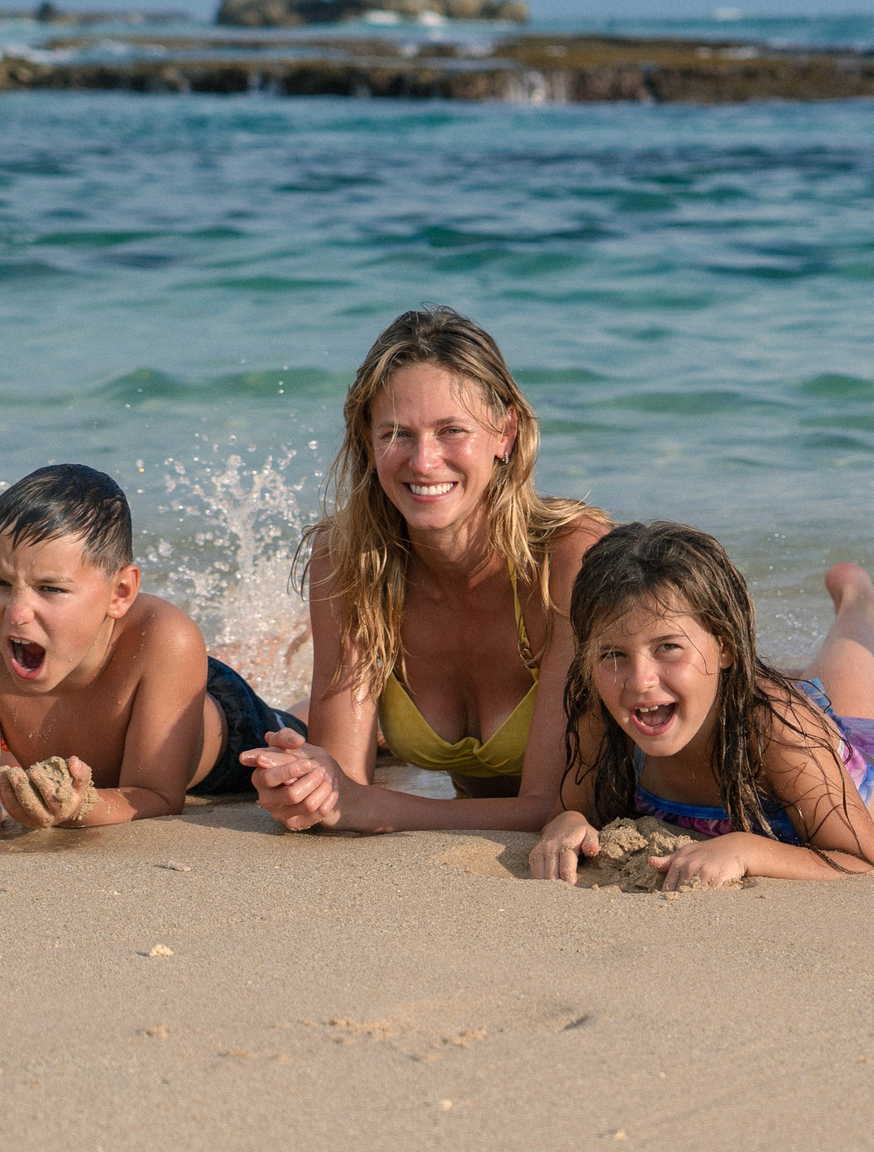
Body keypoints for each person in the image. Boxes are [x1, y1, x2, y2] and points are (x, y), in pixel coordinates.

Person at [238, 308, 610, 834]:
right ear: (366, 437)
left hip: (636, 803)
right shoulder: (351, 558)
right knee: (245, 732)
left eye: (451, 430)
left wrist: (368, 806)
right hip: (475, 809)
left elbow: (553, 809)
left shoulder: (571, 560)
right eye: (397, 433)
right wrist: (304, 787)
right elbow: (341, 794)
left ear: (506, 432)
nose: (423, 461)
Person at [529, 521, 874, 889]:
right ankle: (861, 632)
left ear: (724, 645)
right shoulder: (604, 707)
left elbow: (868, 862)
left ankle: (860, 605)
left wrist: (745, 849)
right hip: (822, 752)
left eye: (668, 647)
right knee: (839, 708)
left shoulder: (771, 725)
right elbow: (571, 810)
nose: (639, 680)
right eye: (613, 654)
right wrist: (568, 823)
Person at [0, 464, 300, 848]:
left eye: (50, 589)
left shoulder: (167, 636)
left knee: (297, 727)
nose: (17, 613)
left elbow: (157, 795)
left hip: (224, 722)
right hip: (126, 668)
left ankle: (296, 655)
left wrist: (75, 808)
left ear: (120, 592)